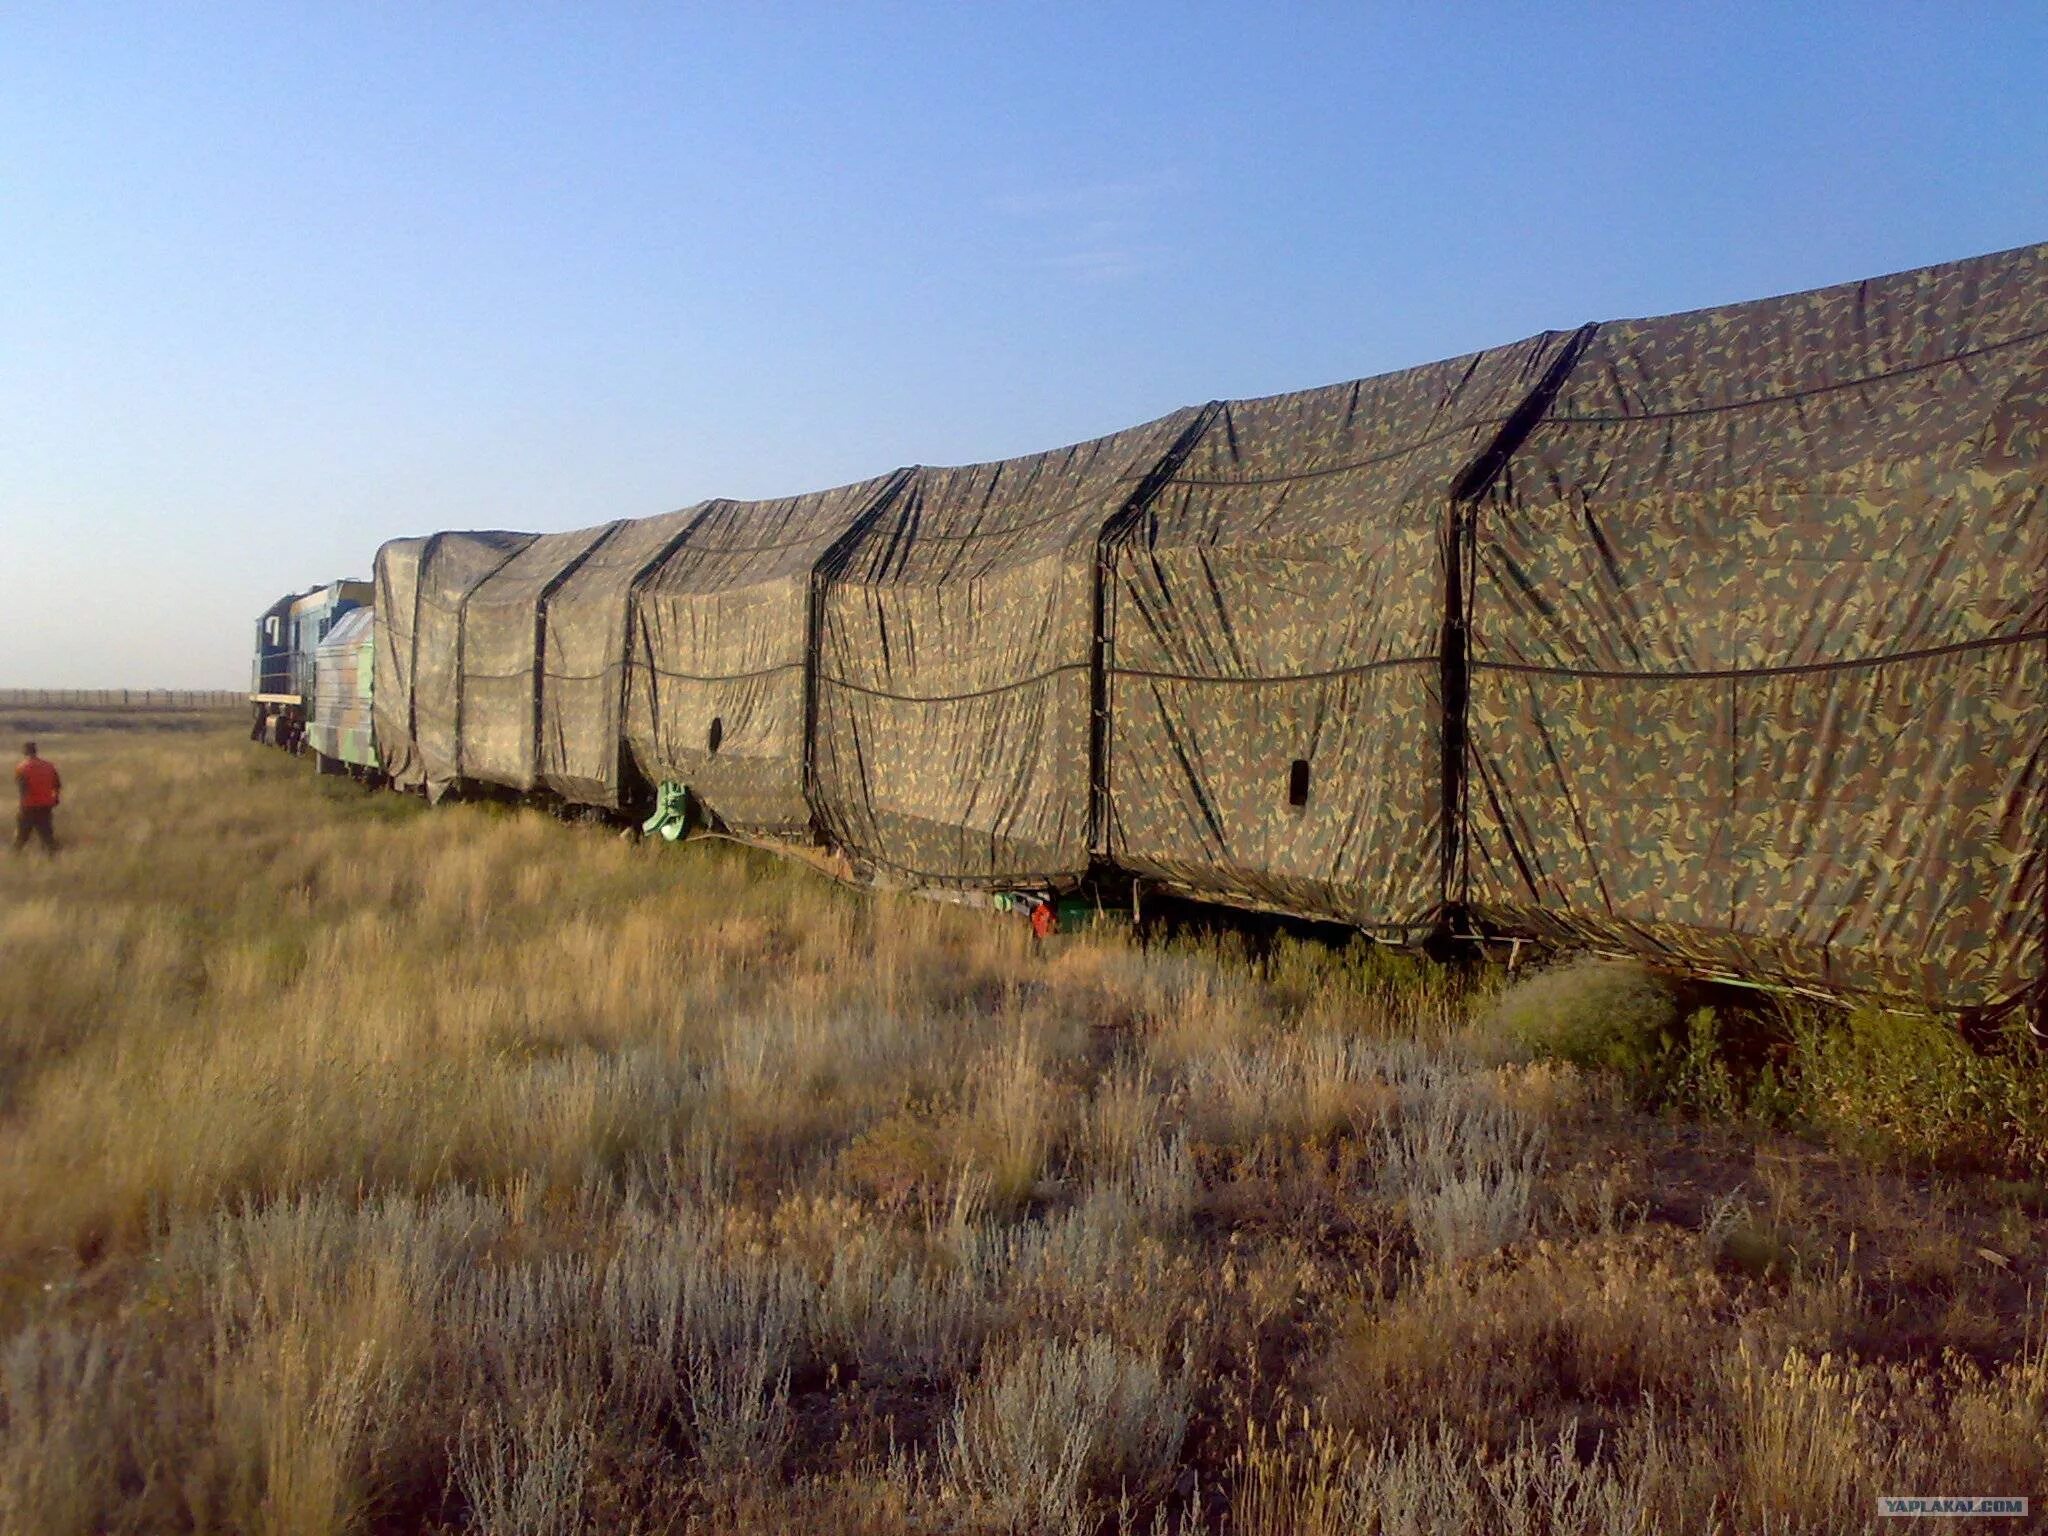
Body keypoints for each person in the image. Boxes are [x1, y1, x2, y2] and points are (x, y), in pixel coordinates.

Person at [14, 741, 60, 856]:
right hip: (45, 806)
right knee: (47, 837)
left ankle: (14, 859)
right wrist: (55, 799)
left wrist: (21, 808)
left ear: (25, 751)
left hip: (28, 807)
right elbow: (57, 784)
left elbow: (23, 790)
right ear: (35, 751)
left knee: (21, 838)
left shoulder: (21, 768)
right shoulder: (49, 766)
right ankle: (53, 861)